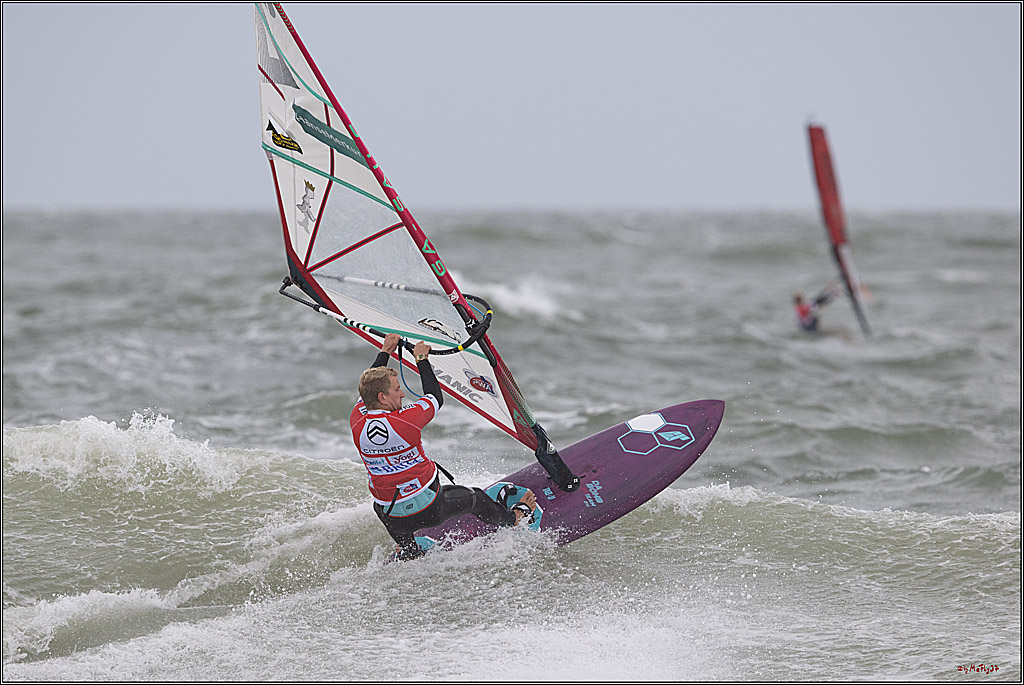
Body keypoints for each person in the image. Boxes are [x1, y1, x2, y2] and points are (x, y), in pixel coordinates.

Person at [350, 332, 537, 560]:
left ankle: (409, 549)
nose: (402, 393)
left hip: (391, 517)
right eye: (396, 389)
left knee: (386, 507)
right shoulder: (406, 420)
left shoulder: (357, 419)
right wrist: (421, 359)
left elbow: (366, 390)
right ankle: (514, 519)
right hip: (429, 508)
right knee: (477, 498)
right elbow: (434, 396)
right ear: (382, 397)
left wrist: (385, 351)